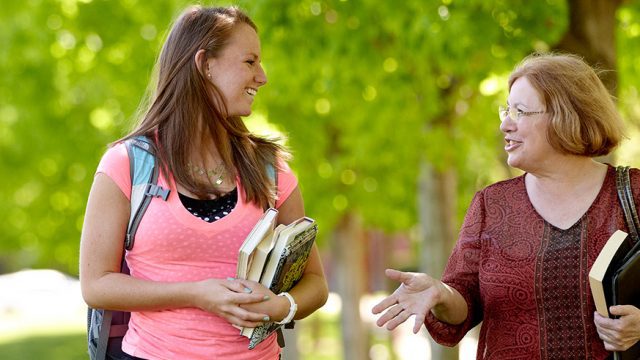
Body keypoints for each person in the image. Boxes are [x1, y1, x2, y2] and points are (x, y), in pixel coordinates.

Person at [79, 5, 328, 359]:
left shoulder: (271, 168)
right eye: (250, 61)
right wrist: (197, 293)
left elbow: (315, 284)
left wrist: (281, 307)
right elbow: (96, 284)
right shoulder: (127, 164)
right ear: (204, 64)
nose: (263, 76)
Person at [372, 53, 640, 359]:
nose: (505, 125)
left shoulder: (633, 193)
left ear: (566, 115)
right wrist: (440, 294)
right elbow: (465, 299)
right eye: (506, 111)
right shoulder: (491, 204)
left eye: (521, 112)